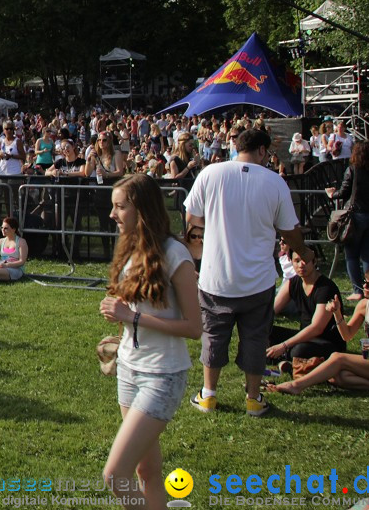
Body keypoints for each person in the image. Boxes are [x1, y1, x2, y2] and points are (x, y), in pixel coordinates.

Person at [184, 128, 312, 417]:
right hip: (257, 280)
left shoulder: (210, 174)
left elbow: (192, 221)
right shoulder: (274, 182)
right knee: (255, 337)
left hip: (216, 276)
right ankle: (253, 399)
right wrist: (303, 252)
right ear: (263, 151)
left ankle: (209, 395)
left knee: (214, 335)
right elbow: (289, 230)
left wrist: (195, 261)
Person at [99, 174, 202, 509]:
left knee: (115, 475)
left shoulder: (176, 255)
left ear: (141, 210)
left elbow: (194, 327)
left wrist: (133, 318)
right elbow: (136, 311)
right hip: (129, 369)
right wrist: (121, 332)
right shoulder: (131, 248)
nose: (112, 214)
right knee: (147, 468)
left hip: (162, 375)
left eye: (120, 207)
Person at [270, 264, 369, 395]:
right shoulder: (364, 305)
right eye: (364, 282)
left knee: (338, 358)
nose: (364, 286)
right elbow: (347, 335)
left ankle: (296, 385)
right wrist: (337, 313)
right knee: (337, 376)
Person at [266, 248, 345, 373]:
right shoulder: (292, 283)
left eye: (306, 260)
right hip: (304, 336)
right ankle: (284, 361)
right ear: (291, 262)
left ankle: (283, 359)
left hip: (327, 342)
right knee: (266, 331)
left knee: (298, 350)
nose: (301, 264)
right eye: (297, 261)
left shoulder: (326, 288)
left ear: (314, 262)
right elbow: (270, 312)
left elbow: (316, 328)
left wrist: (284, 345)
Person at [326, 141, 369, 301]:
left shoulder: (352, 169)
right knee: (368, 257)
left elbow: (344, 192)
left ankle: (358, 291)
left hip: (356, 216)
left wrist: (332, 194)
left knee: (351, 255)